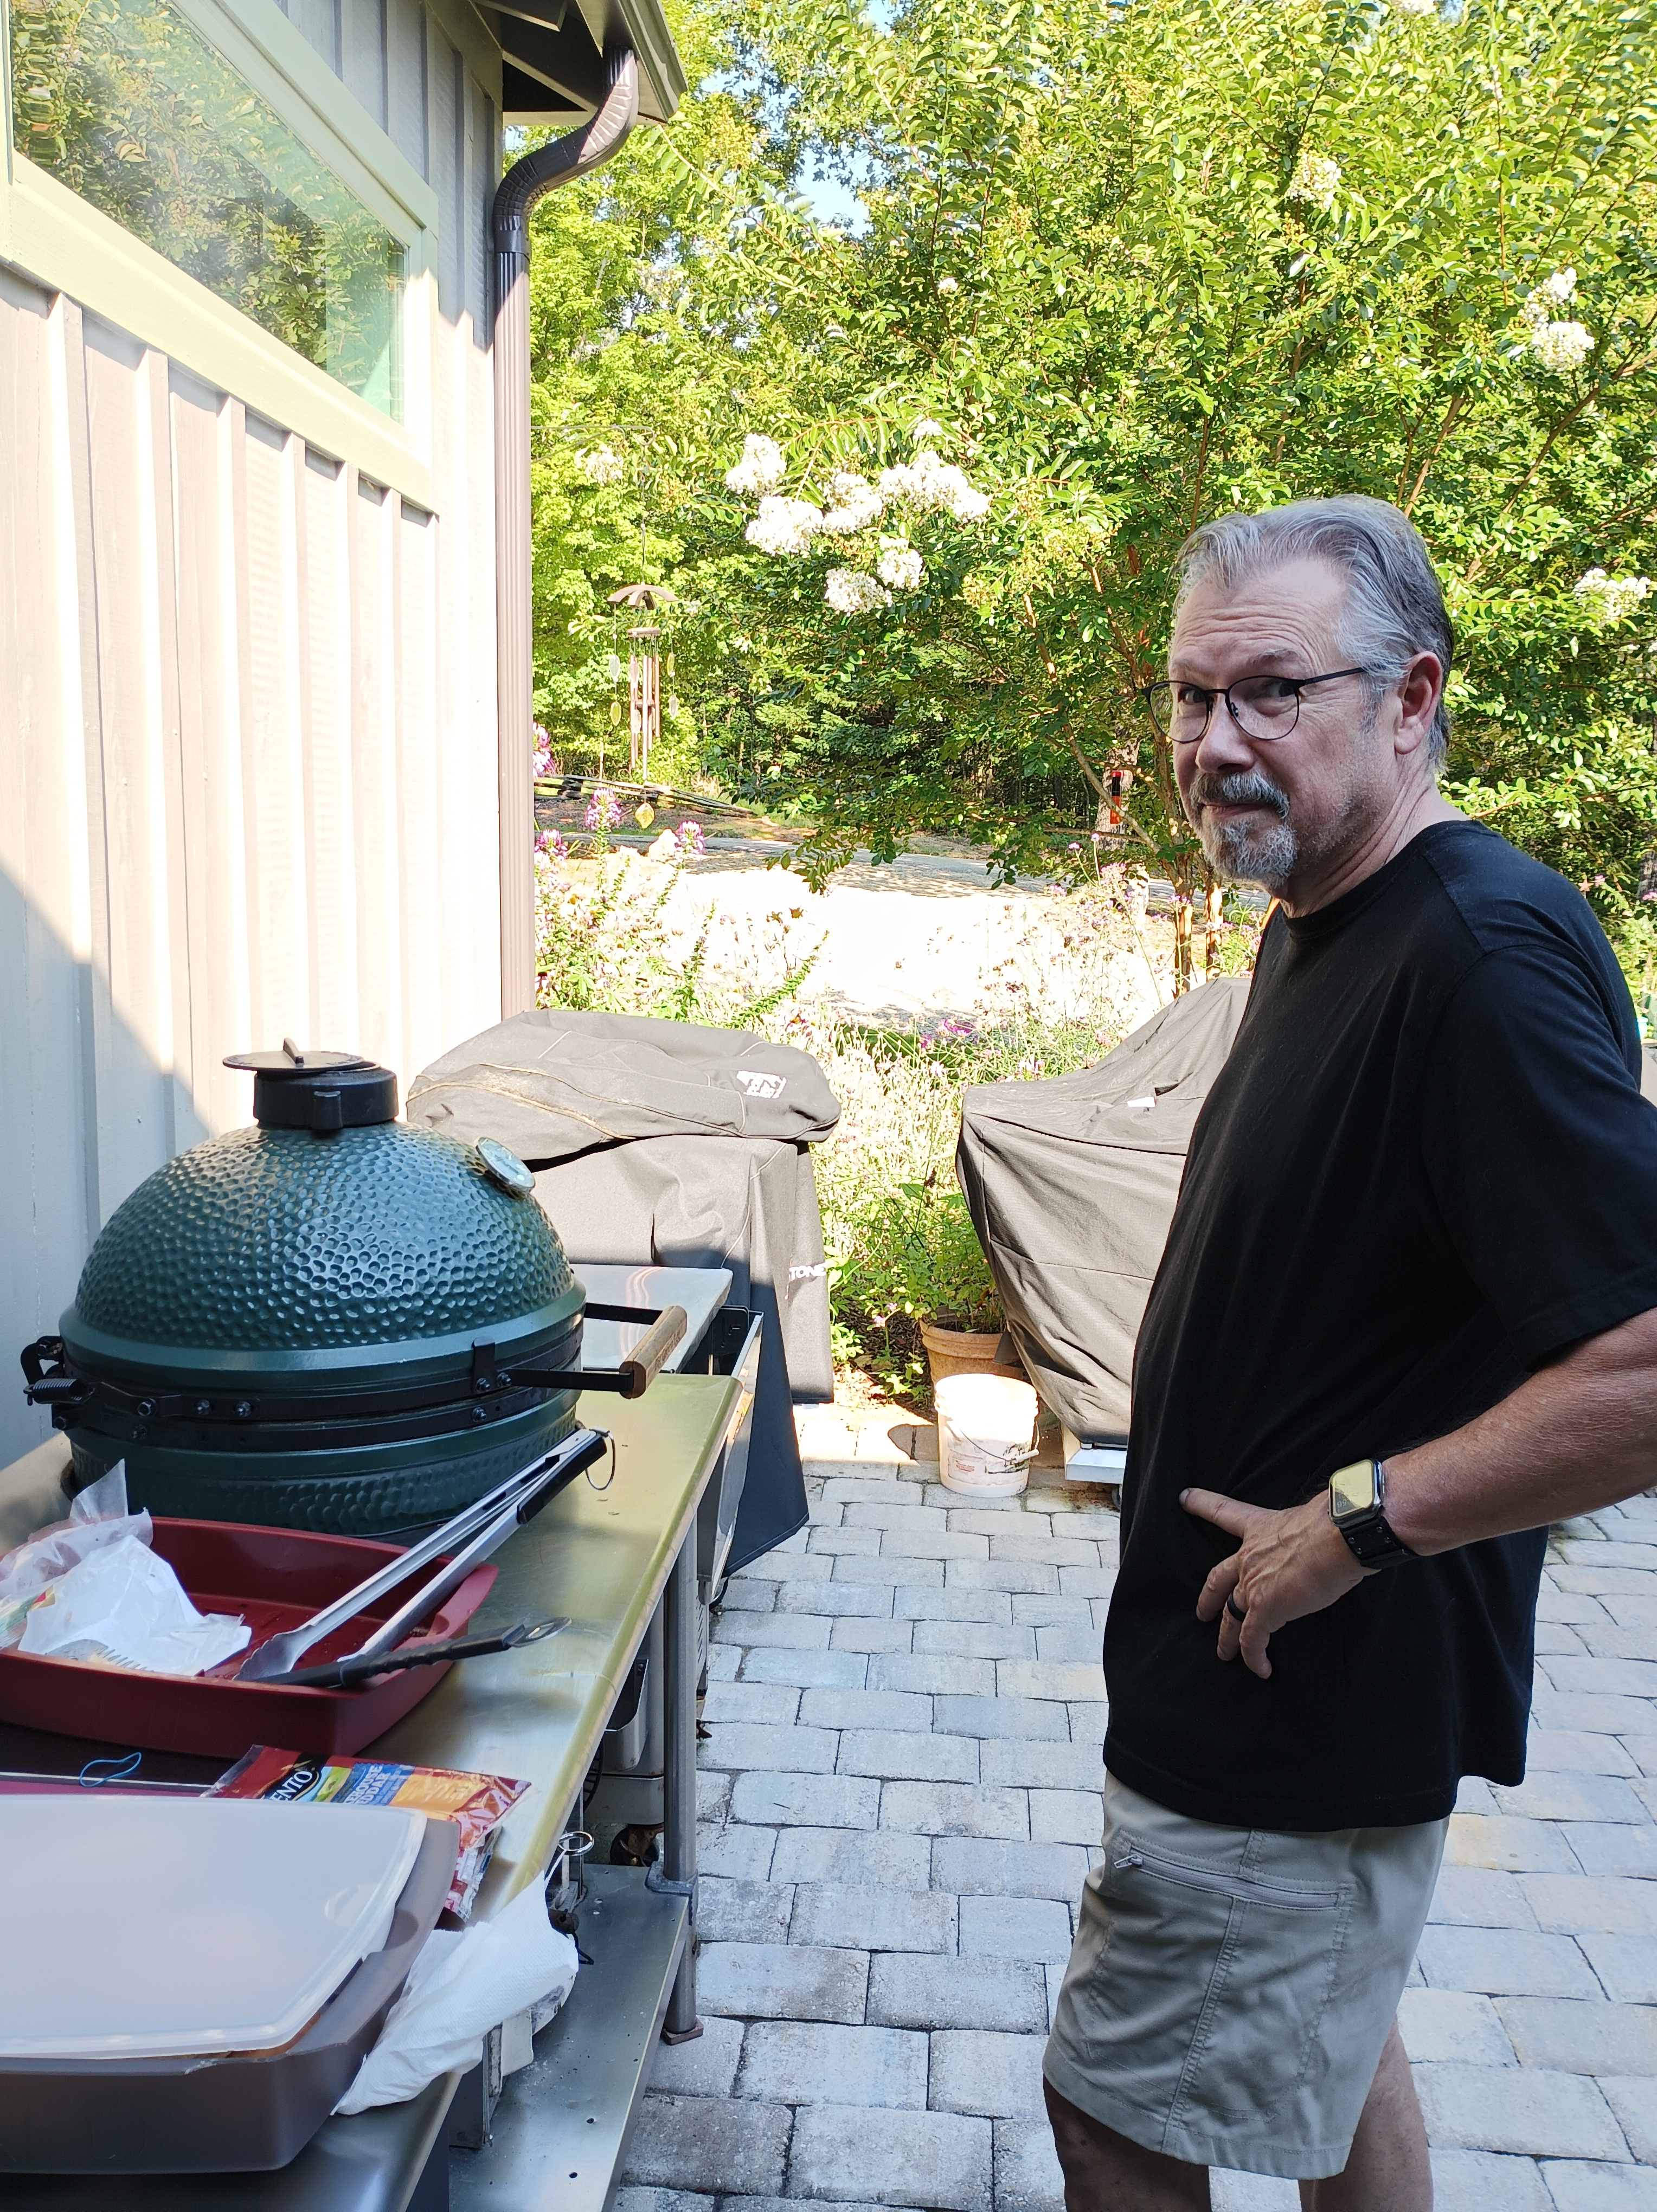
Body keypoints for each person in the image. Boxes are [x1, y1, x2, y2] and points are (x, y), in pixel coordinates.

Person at [1042, 494, 1657, 2211]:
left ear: (1410, 698)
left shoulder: (1478, 957)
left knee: (1115, 2118)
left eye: (1272, 693)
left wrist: (1360, 1522)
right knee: (1337, 2046)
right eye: (1193, 696)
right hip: (1261, 1671)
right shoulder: (1328, 912)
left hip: (1299, 1697)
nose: (1216, 742)